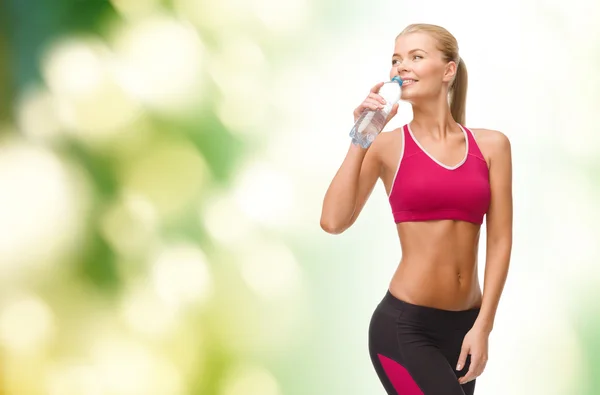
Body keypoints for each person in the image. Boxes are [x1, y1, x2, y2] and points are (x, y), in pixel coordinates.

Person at [320, 23, 513, 395]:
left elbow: (501, 240)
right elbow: (332, 221)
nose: (401, 67)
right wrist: (362, 135)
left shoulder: (493, 146)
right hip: (404, 328)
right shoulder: (385, 146)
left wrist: (483, 326)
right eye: (395, 60)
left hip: (465, 328)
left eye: (415, 57)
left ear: (448, 70)